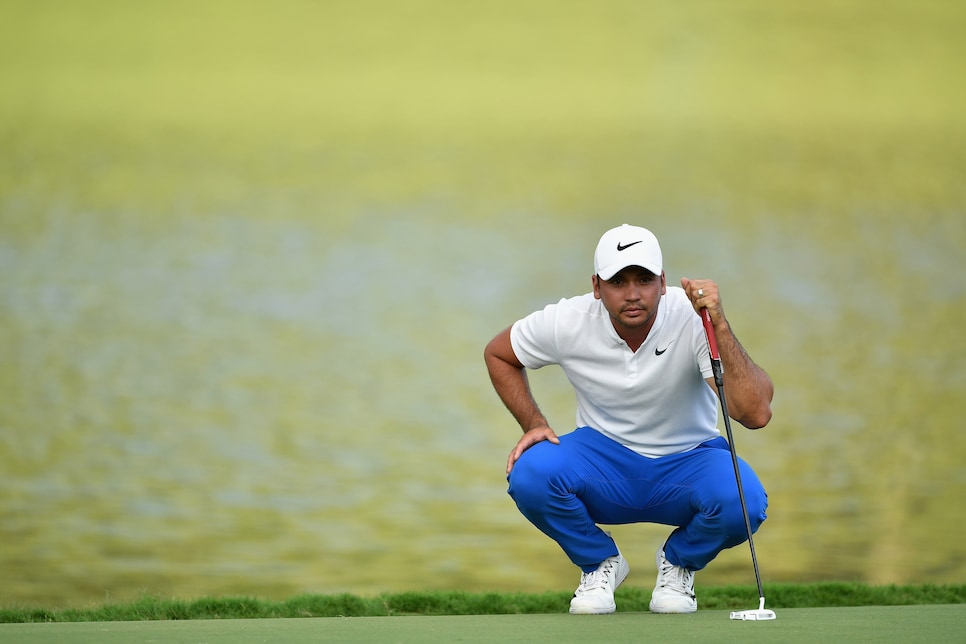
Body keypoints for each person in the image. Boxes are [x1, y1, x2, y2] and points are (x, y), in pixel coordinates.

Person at [483, 224, 773, 615]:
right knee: (530, 472)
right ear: (597, 286)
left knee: (745, 500)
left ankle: (679, 563)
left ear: (662, 281)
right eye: (618, 281)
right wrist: (533, 423)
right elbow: (499, 354)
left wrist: (718, 324)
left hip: (689, 458)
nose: (633, 293)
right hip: (603, 460)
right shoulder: (569, 318)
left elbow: (754, 413)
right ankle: (600, 562)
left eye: (644, 279)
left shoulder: (693, 317)